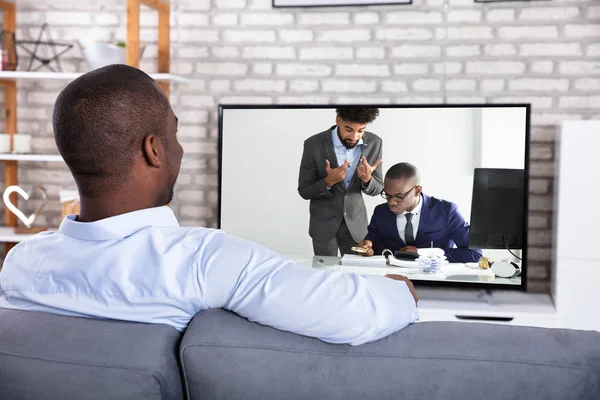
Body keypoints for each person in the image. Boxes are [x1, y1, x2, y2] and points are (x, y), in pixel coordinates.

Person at [0, 65, 418, 346]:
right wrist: (399, 291)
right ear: (154, 151)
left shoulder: (20, 263)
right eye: (174, 136)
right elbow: (355, 314)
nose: (181, 150)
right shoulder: (204, 259)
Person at [298, 107, 383, 257]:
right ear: (338, 120)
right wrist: (328, 182)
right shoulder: (313, 144)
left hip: (356, 227)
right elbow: (304, 190)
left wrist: (367, 180)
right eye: (349, 129)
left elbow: (378, 189)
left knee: (355, 275)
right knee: (326, 275)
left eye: (361, 130)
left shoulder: (375, 143)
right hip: (323, 226)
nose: (355, 137)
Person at [358, 162, 482, 263]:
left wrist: (424, 254)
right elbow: (372, 242)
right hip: (392, 281)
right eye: (387, 195)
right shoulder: (381, 212)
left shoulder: (446, 211)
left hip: (434, 283)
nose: (391, 202)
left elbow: (474, 253)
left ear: (417, 190)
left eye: (398, 197)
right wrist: (367, 248)